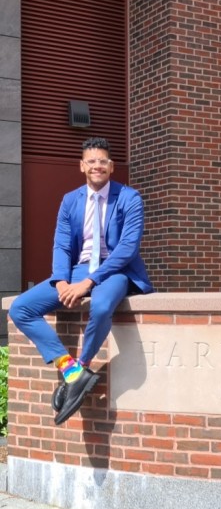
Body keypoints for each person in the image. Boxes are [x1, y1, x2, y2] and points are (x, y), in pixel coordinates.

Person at [9, 137, 153, 426]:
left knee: (100, 308)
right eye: (91, 161)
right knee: (20, 308)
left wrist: (89, 282)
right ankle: (71, 370)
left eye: (102, 161)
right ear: (81, 166)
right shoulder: (70, 200)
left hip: (115, 271)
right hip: (77, 269)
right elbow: (61, 244)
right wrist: (61, 281)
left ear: (111, 167)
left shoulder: (129, 198)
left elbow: (127, 249)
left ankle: (83, 366)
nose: (97, 166)